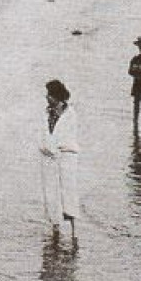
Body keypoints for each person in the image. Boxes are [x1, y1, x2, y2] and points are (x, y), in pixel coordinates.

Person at [38, 79, 81, 243]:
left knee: (68, 192)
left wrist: (59, 148)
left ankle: (74, 231)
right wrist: (44, 147)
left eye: (50, 94)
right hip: (48, 158)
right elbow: (43, 134)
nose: (47, 97)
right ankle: (55, 227)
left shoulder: (70, 114)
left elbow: (70, 137)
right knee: (50, 193)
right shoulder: (46, 113)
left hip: (66, 157)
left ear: (57, 96)